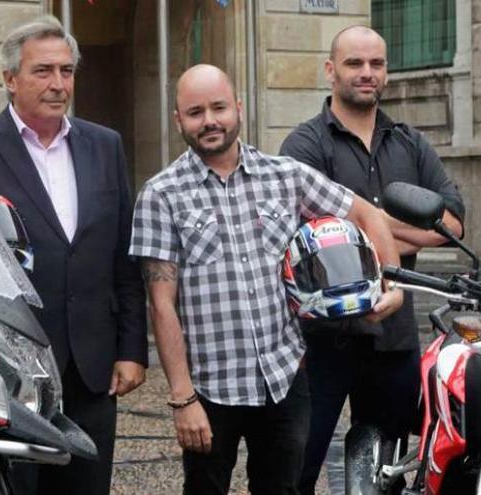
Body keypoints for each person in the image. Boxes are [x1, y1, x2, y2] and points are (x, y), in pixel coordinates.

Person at [130, 64, 404, 495]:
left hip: (284, 379)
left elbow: (366, 214)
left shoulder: (286, 176)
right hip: (210, 387)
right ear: (178, 120)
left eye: (219, 107)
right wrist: (182, 399)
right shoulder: (160, 195)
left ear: (237, 108)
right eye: (196, 112)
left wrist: (391, 281)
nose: (210, 121)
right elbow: (161, 304)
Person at [0, 15, 148, 495]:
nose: (59, 84)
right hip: (8, 367)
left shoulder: (105, 145)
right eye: (43, 71)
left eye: (67, 71)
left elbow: (123, 258)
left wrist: (130, 349)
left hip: (92, 369)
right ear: (10, 79)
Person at [278, 25, 466, 491]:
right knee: (296, 468)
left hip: (393, 337)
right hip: (320, 340)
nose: (367, 73)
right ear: (330, 71)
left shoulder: (411, 143)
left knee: (386, 475)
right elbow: (309, 239)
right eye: (354, 63)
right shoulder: (304, 146)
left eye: (376, 64)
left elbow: (452, 225)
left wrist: (363, 224)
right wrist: (405, 232)